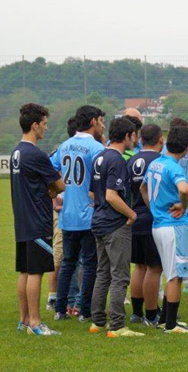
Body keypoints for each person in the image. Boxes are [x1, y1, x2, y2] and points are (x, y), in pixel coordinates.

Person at [11, 103, 65, 335]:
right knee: (35, 272)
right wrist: (52, 189)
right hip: (37, 221)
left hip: (22, 221)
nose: (45, 128)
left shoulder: (16, 152)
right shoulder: (36, 154)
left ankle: (24, 320)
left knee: (24, 271)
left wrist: (47, 188)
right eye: (44, 124)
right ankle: (35, 322)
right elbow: (60, 185)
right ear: (34, 125)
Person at [89, 117, 144, 338]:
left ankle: (97, 322)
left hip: (98, 221)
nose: (136, 139)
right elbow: (112, 195)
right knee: (120, 275)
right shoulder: (118, 160)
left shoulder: (99, 156)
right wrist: (131, 213)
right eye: (134, 135)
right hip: (114, 224)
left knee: (102, 273)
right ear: (127, 136)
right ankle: (117, 326)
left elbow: (93, 193)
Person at [50, 105, 106, 323]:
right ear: (93, 121)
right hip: (88, 214)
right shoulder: (96, 148)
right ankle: (85, 311)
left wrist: (55, 195)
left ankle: (60, 309)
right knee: (90, 263)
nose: (102, 124)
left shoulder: (64, 145)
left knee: (68, 263)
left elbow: (50, 169)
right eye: (100, 120)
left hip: (67, 214)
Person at [141, 126, 188, 334]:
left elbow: (143, 187)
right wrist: (183, 205)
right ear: (187, 146)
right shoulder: (174, 167)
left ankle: (165, 320)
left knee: (169, 271)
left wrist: (153, 208)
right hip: (174, 227)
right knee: (176, 275)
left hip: (158, 226)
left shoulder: (156, 162)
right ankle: (171, 326)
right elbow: (183, 189)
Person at [127, 124, 164, 326]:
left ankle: (136, 313)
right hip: (152, 217)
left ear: (140, 139)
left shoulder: (131, 160)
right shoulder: (160, 161)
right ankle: (151, 314)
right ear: (161, 139)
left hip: (134, 216)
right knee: (154, 267)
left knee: (139, 266)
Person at [163, 118, 188, 296]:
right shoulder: (165, 152)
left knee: (187, 244)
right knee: (167, 245)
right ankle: (166, 281)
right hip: (169, 206)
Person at [46, 116, 78, 312]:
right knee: (60, 255)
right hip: (63, 211)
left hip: (77, 210)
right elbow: (47, 173)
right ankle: (54, 296)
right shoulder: (60, 152)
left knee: (76, 258)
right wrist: (53, 200)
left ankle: (72, 300)